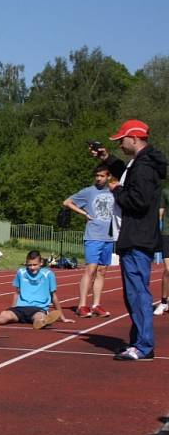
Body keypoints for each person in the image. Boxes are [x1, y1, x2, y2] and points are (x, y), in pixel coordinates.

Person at [91, 119, 167, 360]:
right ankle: (138, 342)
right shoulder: (141, 163)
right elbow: (127, 174)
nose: (120, 144)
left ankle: (143, 346)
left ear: (134, 138)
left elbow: (138, 200)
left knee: (137, 293)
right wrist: (106, 159)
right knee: (134, 293)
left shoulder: (143, 167)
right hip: (136, 236)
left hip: (137, 237)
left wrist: (116, 190)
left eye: (121, 140)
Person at [0, 250, 74, 329]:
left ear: (41, 263)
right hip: (20, 308)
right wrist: (12, 309)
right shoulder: (21, 272)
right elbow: (16, 293)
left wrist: (62, 316)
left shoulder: (48, 274)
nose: (32, 268)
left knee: (39, 317)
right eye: (29, 265)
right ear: (26, 263)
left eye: (35, 265)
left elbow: (53, 296)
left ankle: (42, 322)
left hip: (38, 308)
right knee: (5, 315)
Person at [62, 165, 115, 318]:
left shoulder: (114, 191)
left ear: (108, 177)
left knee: (102, 271)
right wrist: (84, 213)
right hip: (93, 236)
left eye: (102, 176)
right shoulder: (88, 191)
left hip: (109, 237)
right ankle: (82, 305)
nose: (99, 178)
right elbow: (67, 202)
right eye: (97, 175)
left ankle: (96, 304)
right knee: (90, 270)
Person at [153, 183, 169, 316]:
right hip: (167, 234)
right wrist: (156, 231)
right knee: (168, 270)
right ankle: (163, 301)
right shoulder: (165, 191)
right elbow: (160, 213)